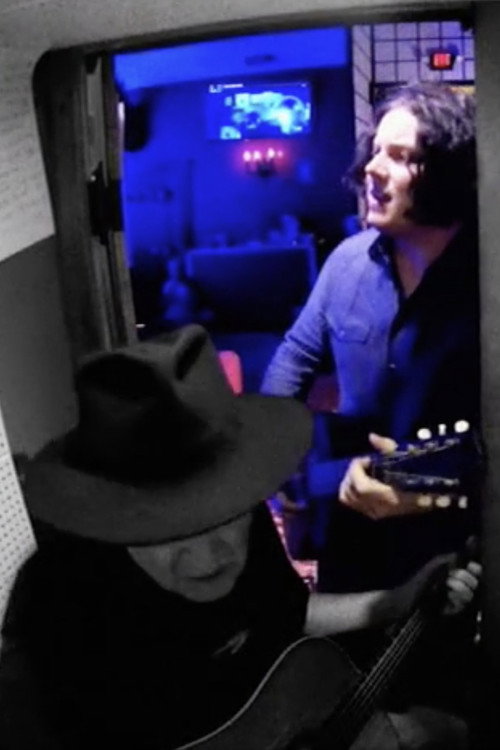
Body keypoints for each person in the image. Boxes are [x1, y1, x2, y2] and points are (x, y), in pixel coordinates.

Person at [0, 324, 479, 750]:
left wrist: (394, 602)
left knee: (447, 728)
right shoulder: (58, 606)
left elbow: (284, 614)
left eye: (225, 516)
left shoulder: (245, 512)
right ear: (109, 521)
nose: (209, 557)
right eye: (166, 533)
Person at [261, 82, 480, 594]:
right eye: (376, 150)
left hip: (458, 533)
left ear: (447, 173)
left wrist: (430, 492)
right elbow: (293, 361)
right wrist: (279, 466)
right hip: (350, 520)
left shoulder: (485, 274)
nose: (371, 169)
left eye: (400, 156)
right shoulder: (347, 262)